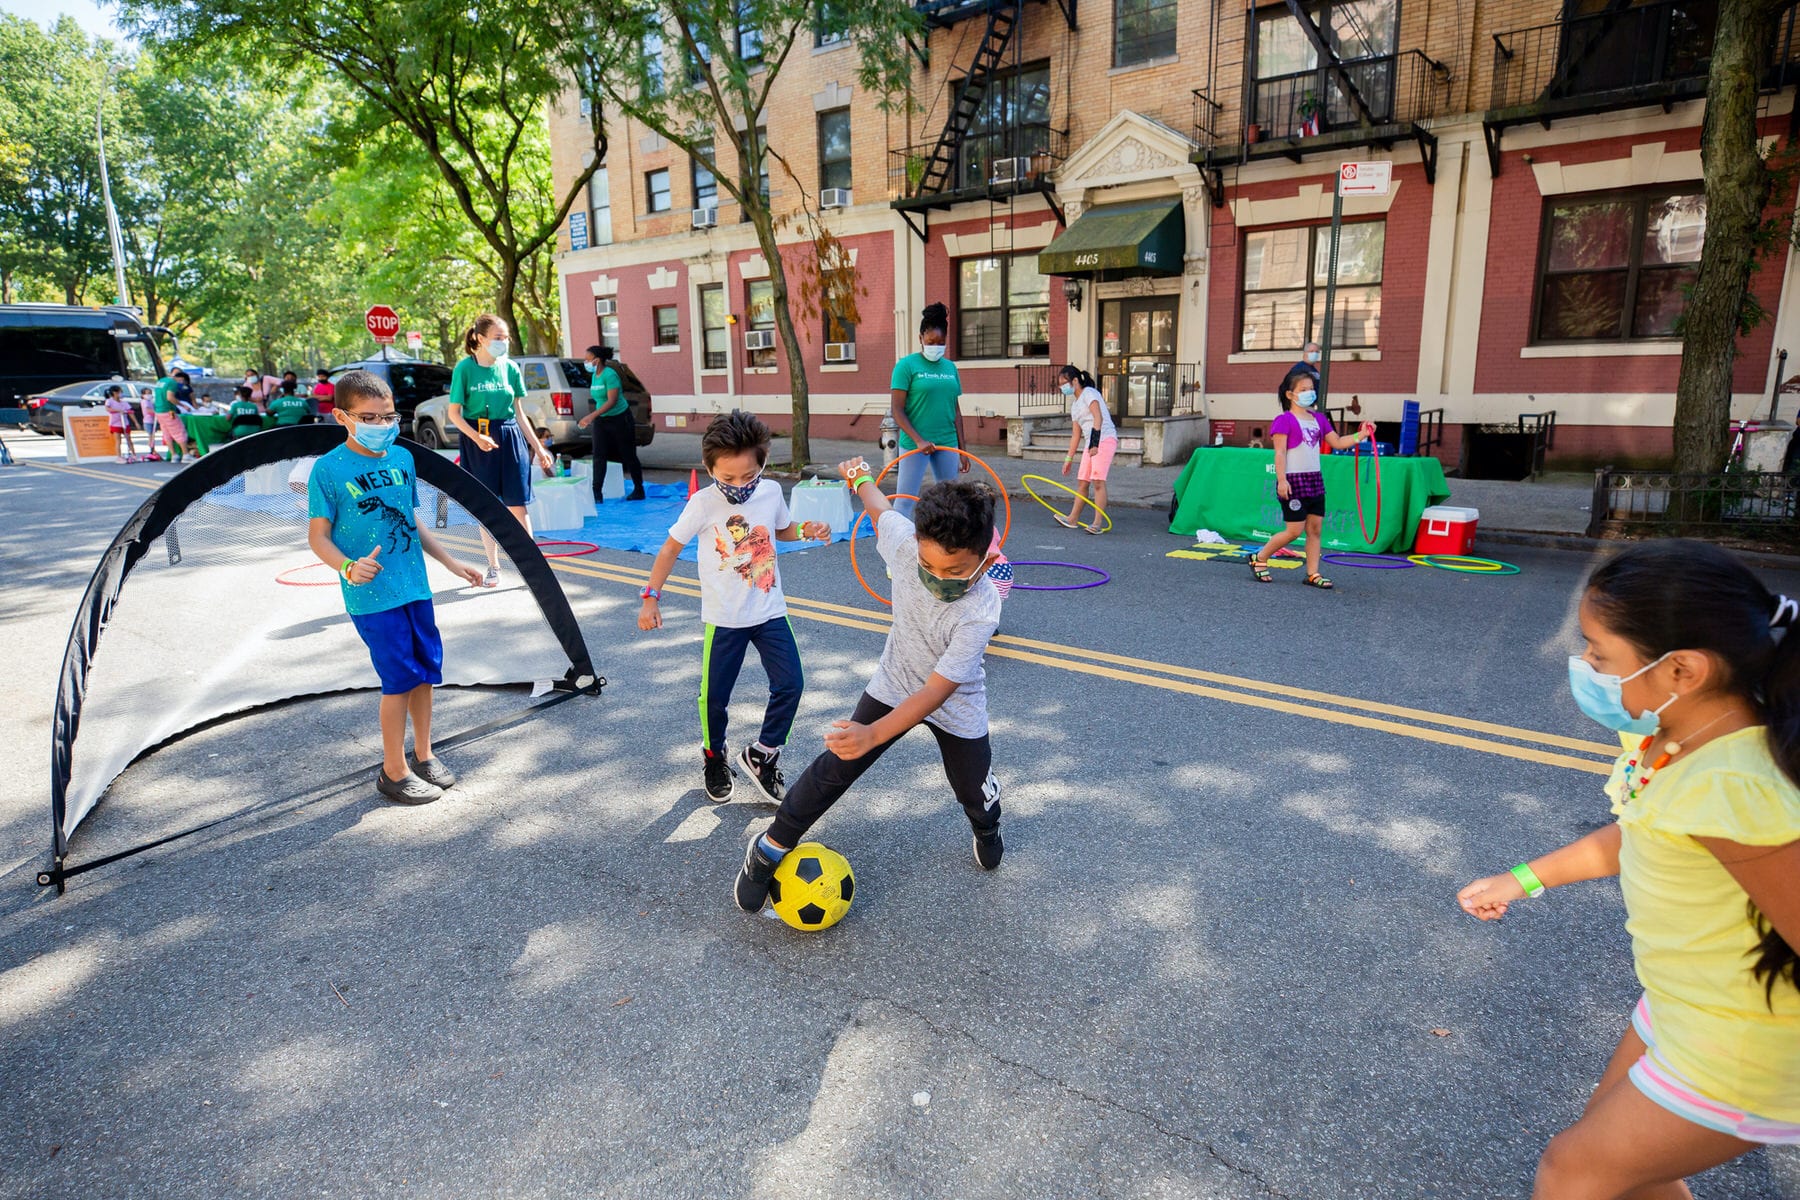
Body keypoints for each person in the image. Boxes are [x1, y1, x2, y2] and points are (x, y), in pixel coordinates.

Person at [1457, 541, 1800, 1195]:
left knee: (1574, 1171)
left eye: (1599, 653)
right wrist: (1523, 879)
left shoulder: (1731, 783)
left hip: (1748, 1040)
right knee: (1622, 1173)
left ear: (1682, 671)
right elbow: (1643, 834)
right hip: (1682, 1003)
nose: (1585, 665)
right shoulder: (1682, 736)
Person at [734, 463, 1005, 914]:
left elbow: (936, 691)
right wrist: (860, 477)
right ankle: (769, 847)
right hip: (896, 680)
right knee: (838, 761)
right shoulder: (902, 545)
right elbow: (879, 508)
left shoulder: (981, 607)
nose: (937, 579)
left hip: (954, 700)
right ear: (915, 547)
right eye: (928, 564)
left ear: (987, 561)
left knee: (972, 788)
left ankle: (987, 824)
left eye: (954, 570)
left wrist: (874, 734)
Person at [306, 370, 488, 804]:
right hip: (372, 597)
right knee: (398, 680)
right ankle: (393, 769)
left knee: (424, 673)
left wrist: (451, 561)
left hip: (415, 588)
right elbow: (318, 537)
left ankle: (423, 755)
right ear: (341, 417)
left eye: (389, 416)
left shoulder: (402, 459)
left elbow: (412, 519)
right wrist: (348, 567)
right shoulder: (327, 470)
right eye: (369, 418)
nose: (383, 425)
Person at [637, 411, 830, 804]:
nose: (739, 486)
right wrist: (651, 597)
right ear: (709, 468)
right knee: (714, 698)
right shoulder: (703, 503)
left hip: (770, 610)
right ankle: (714, 756)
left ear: (762, 465)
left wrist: (805, 529)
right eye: (727, 478)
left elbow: (781, 530)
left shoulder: (772, 492)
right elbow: (671, 547)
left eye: (748, 476)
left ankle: (763, 755)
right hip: (725, 618)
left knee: (791, 683)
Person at [446, 314, 555, 587]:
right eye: (498, 338)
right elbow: (454, 414)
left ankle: (532, 568)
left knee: (518, 503)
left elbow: (519, 413)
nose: (503, 342)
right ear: (481, 339)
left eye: (505, 338)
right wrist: (476, 437)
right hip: (478, 438)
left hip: (510, 436)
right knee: (488, 505)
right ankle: (494, 566)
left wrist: (539, 448)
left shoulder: (510, 368)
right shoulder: (465, 369)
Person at [1248, 368, 1371, 589]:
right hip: (1293, 481)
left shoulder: (1319, 419)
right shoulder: (1284, 420)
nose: (1309, 393)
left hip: (1314, 481)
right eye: (1303, 389)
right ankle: (1260, 557)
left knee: (1315, 530)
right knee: (1294, 531)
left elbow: (1337, 442)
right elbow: (1280, 453)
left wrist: (1360, 435)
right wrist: (1282, 480)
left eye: (1311, 389)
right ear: (1289, 394)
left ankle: (1313, 573)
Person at [889, 301, 968, 516]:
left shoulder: (950, 367)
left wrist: (963, 450)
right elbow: (897, 410)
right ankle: (896, 545)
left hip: (947, 441)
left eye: (941, 342)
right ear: (921, 339)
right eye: (931, 341)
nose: (936, 346)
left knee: (950, 501)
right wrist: (918, 440)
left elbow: (956, 411)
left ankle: (945, 545)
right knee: (904, 500)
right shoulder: (906, 366)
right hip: (915, 443)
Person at [576, 344, 645, 502]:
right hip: (602, 419)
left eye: (587, 359)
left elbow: (612, 401)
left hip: (620, 418)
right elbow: (600, 399)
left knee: (628, 454)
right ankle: (597, 492)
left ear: (597, 360)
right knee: (599, 455)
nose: (585, 362)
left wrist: (590, 416)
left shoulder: (610, 374)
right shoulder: (595, 376)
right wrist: (595, 416)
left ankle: (639, 489)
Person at [1053, 364, 1117, 535]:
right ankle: (1072, 518)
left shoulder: (1090, 393)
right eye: (1060, 384)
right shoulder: (1075, 406)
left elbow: (1098, 417)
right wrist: (1068, 459)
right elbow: (1076, 435)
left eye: (1063, 382)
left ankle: (1097, 523)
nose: (1062, 387)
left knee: (1097, 481)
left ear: (1075, 381)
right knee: (1082, 481)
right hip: (1091, 443)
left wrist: (1095, 444)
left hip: (1104, 439)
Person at [151, 373, 193, 462]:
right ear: (181, 378)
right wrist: (183, 406)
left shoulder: (161, 380)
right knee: (179, 431)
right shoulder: (172, 383)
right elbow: (170, 397)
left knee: (167, 433)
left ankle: (174, 454)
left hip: (159, 411)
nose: (182, 383)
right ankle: (186, 454)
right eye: (182, 381)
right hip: (168, 411)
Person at [103, 384, 139, 460]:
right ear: (115, 393)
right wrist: (118, 411)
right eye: (120, 392)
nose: (121, 393)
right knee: (118, 440)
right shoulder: (109, 401)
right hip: (115, 423)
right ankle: (119, 456)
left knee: (129, 439)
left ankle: (133, 455)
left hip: (125, 423)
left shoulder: (124, 403)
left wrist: (136, 422)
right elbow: (108, 409)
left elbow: (130, 412)